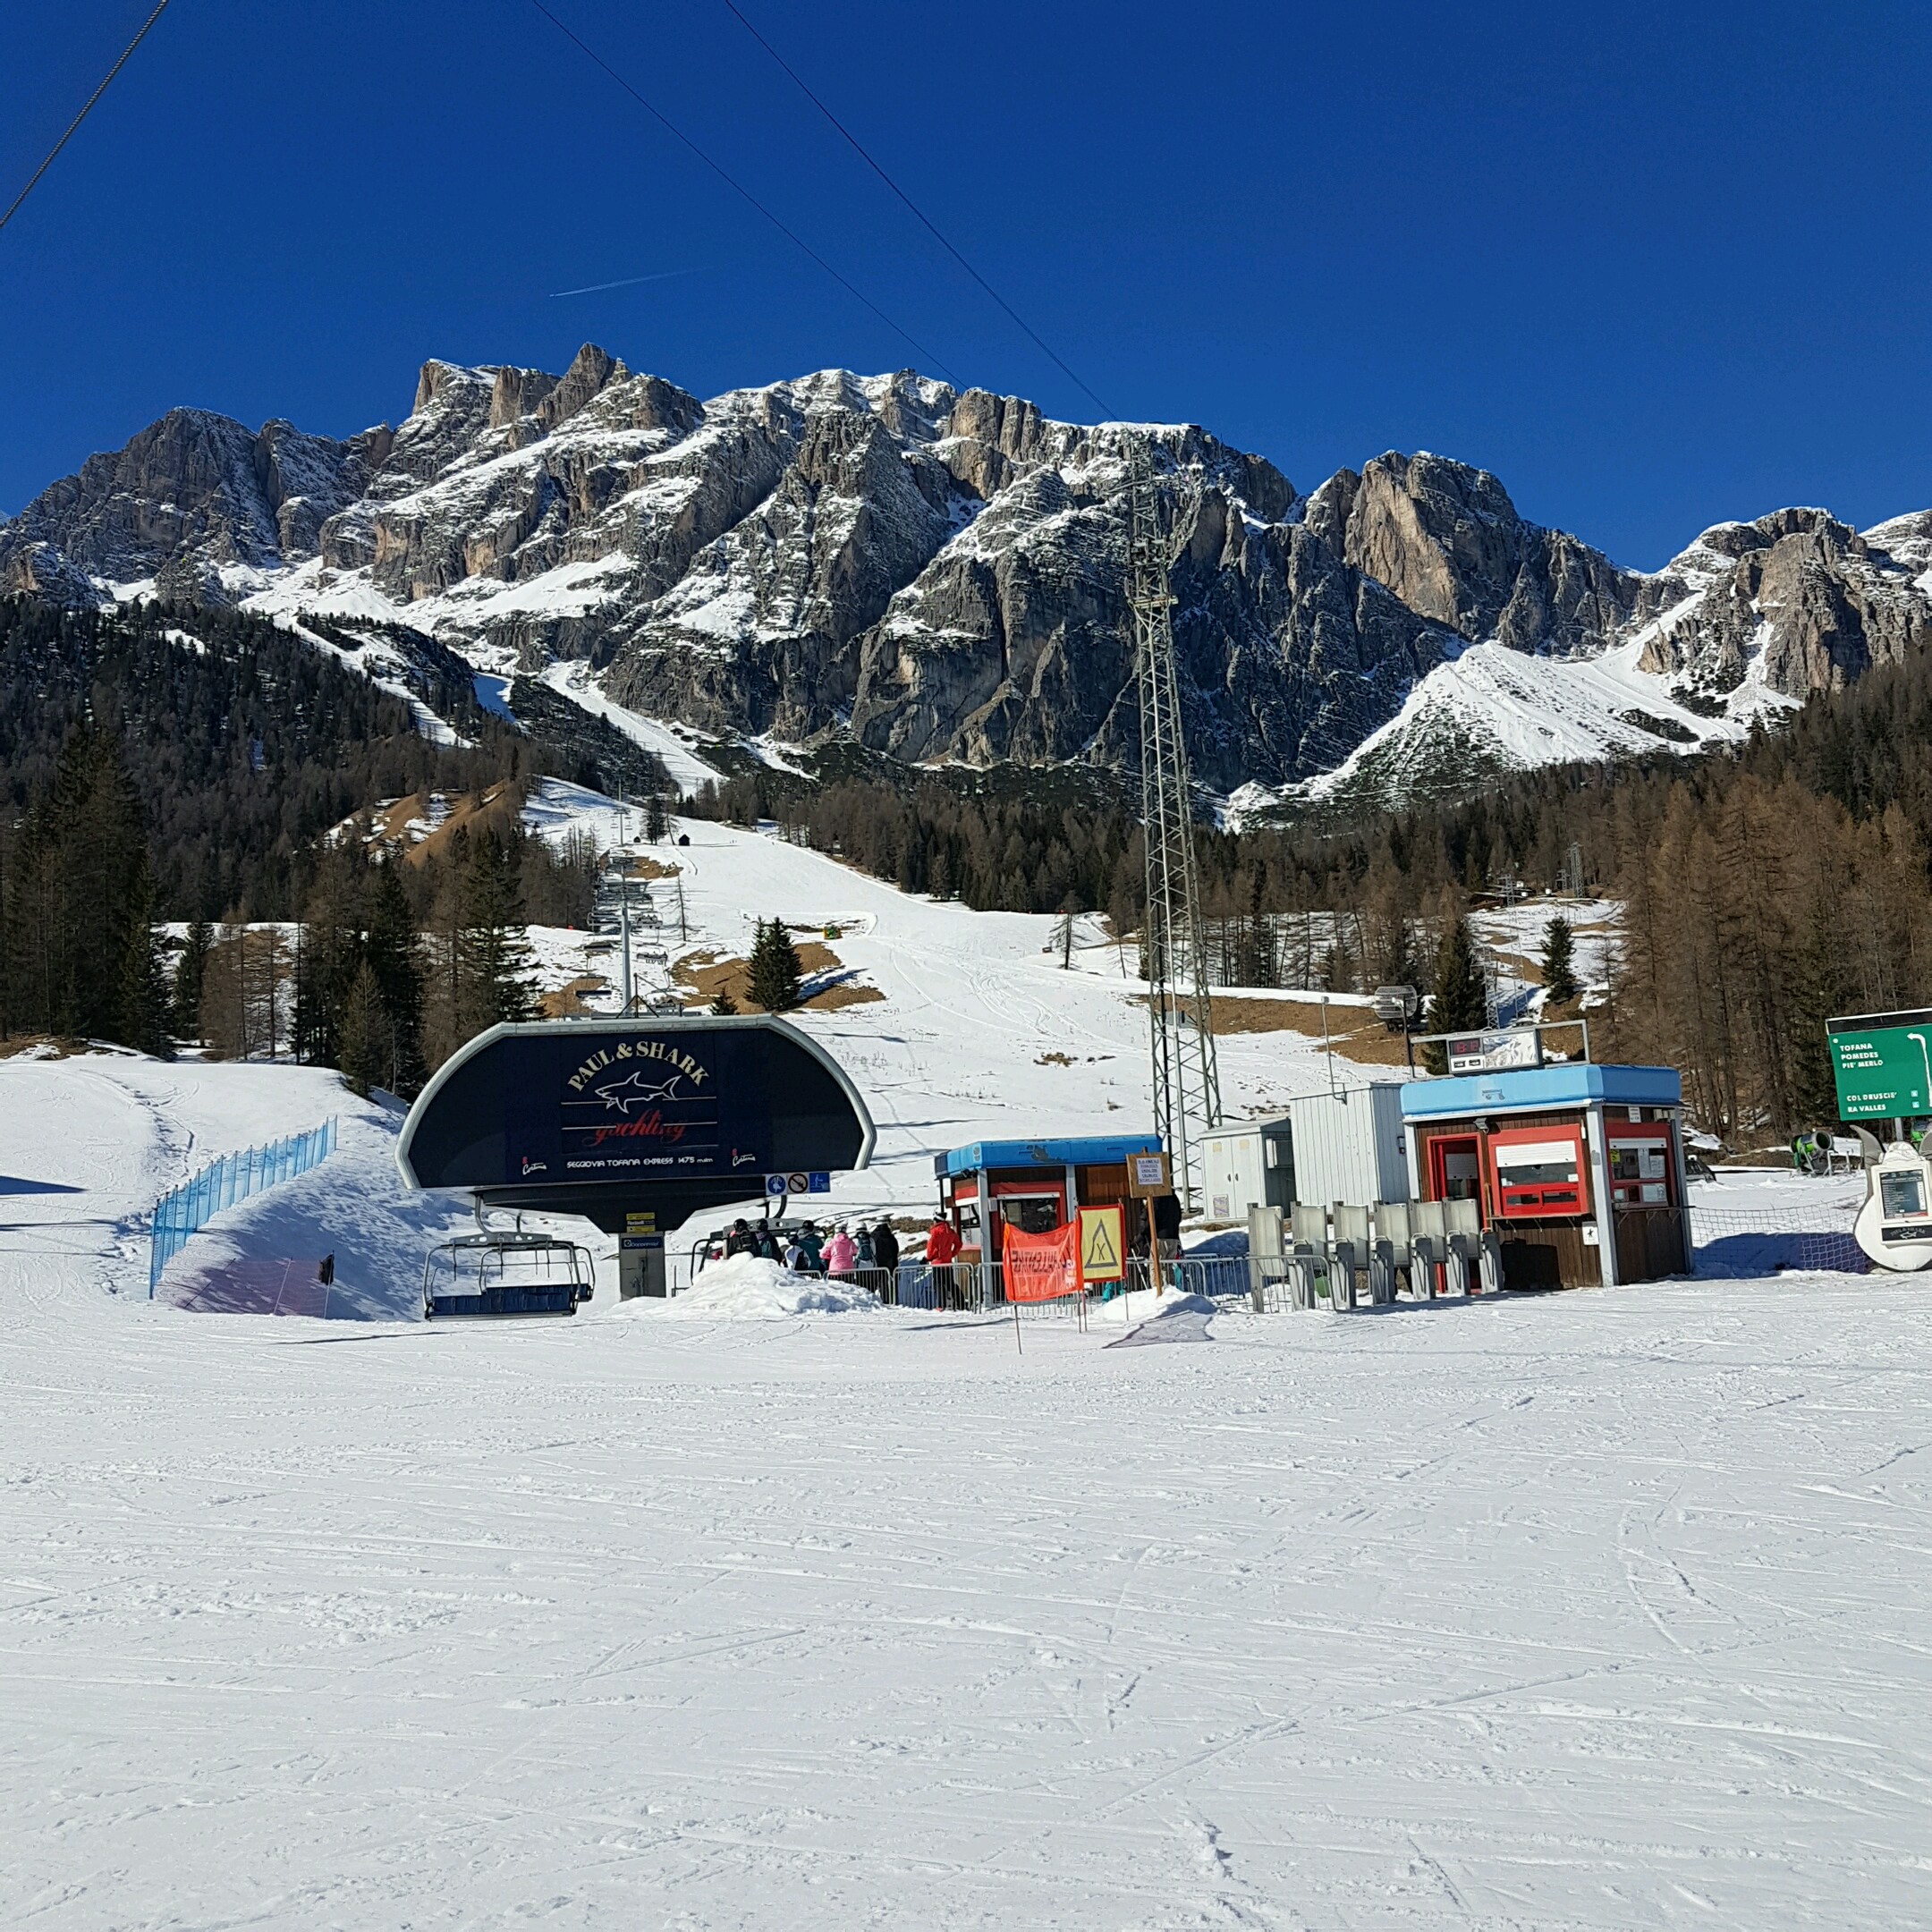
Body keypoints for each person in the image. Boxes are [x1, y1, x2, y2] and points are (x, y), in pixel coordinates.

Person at [925, 1212, 961, 1309]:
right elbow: (959, 1244)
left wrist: (928, 1258)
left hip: (937, 1263)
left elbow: (930, 1247)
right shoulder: (950, 1231)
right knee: (950, 1284)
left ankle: (941, 1305)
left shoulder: (935, 1232)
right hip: (947, 1262)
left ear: (936, 1220)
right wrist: (952, 1254)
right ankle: (961, 1303)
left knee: (938, 1284)